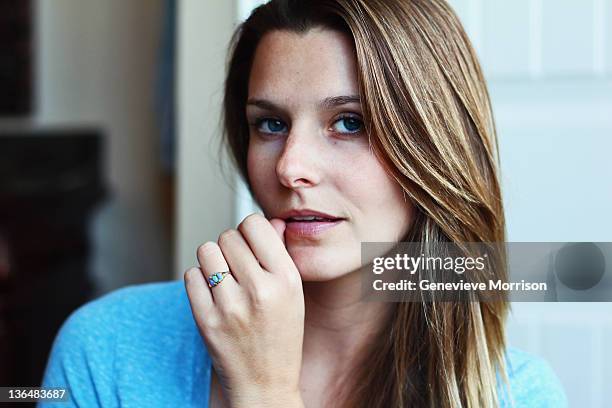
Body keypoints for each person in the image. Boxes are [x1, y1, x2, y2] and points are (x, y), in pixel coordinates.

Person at [39, 0, 567, 407]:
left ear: (433, 148)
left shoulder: (515, 394)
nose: (290, 166)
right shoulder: (108, 347)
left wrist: (264, 391)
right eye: (270, 124)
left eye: (350, 123)